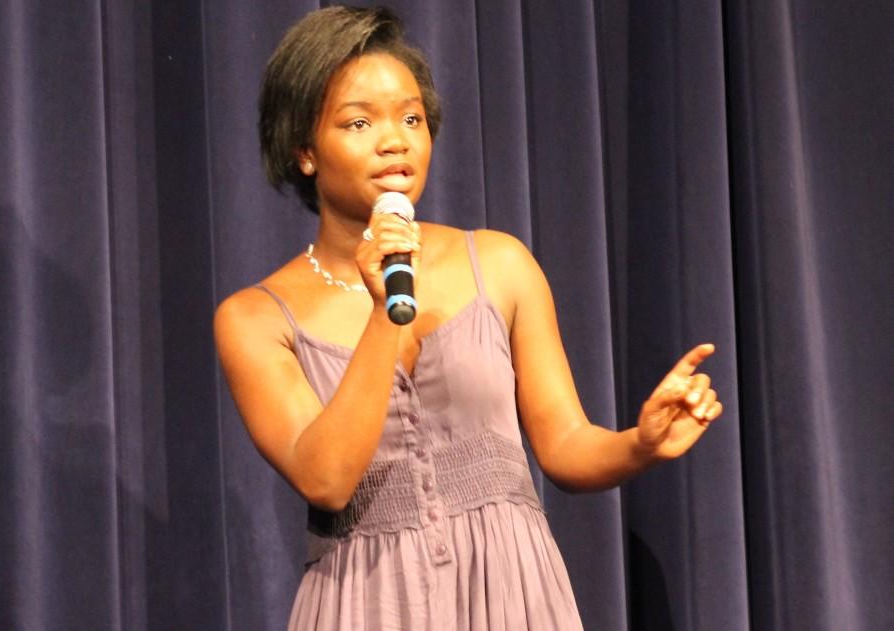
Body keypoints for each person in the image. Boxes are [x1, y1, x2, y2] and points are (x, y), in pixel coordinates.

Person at [214, 6, 723, 630]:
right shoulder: (255, 317)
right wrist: (383, 313)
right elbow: (327, 480)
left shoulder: (501, 263)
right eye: (358, 122)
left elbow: (564, 445)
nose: (395, 139)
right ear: (304, 151)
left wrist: (638, 446)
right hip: (365, 605)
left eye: (411, 118)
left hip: (514, 594)